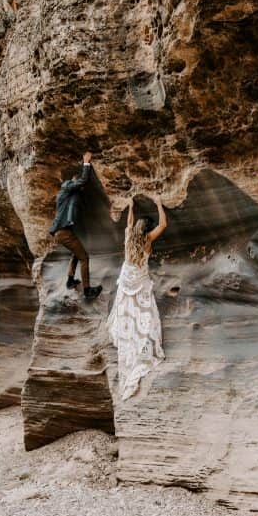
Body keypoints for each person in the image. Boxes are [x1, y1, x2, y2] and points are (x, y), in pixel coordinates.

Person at [106, 194, 168, 400]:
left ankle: (128, 339)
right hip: (139, 282)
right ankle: (143, 345)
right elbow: (164, 224)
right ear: (147, 231)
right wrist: (158, 203)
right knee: (146, 314)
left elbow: (129, 222)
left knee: (127, 314)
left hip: (126, 281)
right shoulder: (148, 240)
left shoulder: (129, 237)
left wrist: (130, 206)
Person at [50, 151, 103, 299]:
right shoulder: (66, 187)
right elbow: (82, 181)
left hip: (63, 232)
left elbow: (79, 191)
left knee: (76, 252)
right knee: (84, 258)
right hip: (63, 232)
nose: (77, 184)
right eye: (74, 181)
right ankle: (87, 291)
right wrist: (86, 162)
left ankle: (70, 280)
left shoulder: (68, 195)